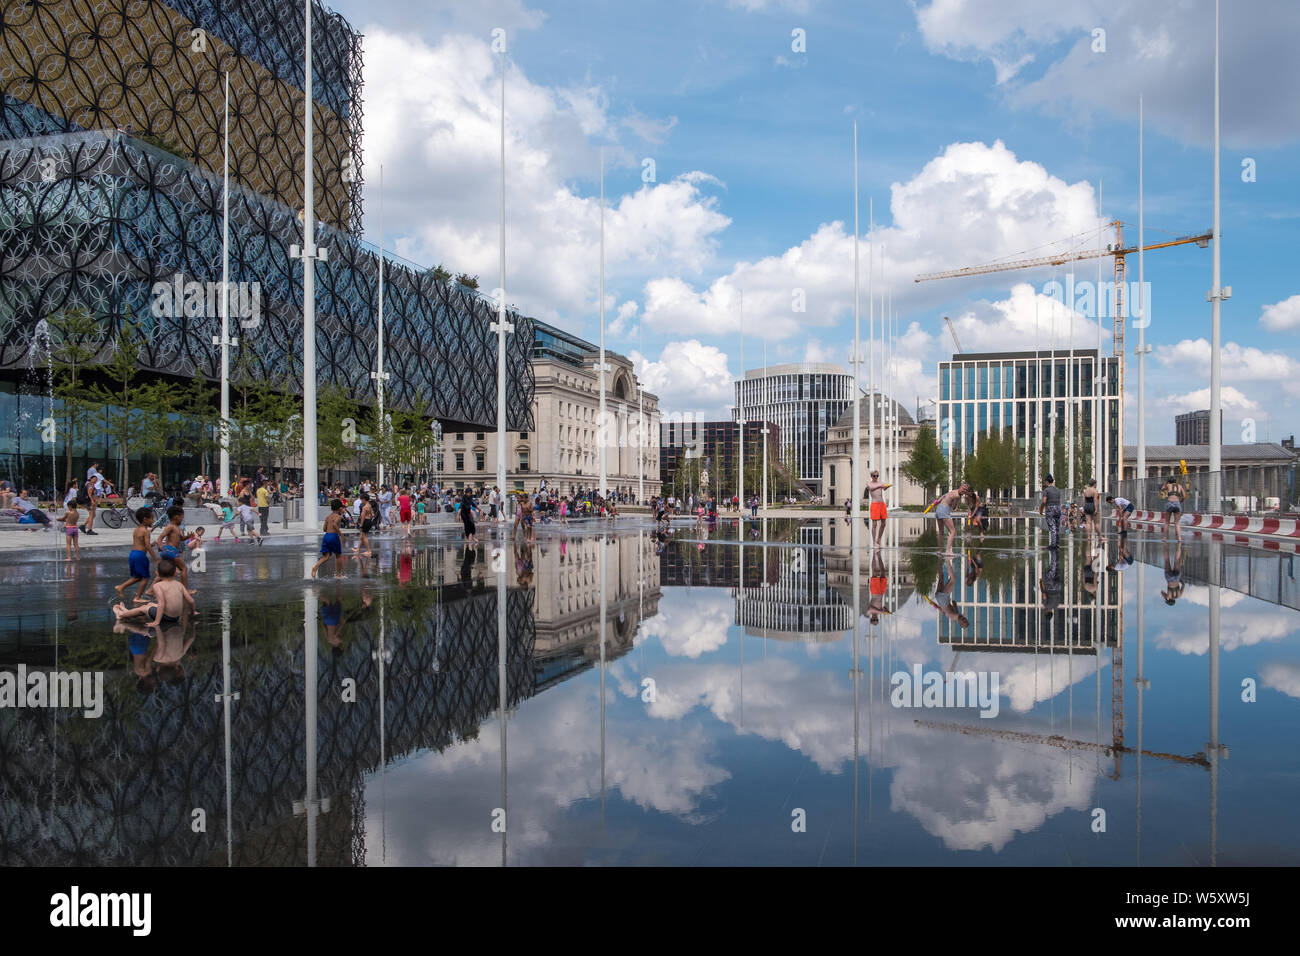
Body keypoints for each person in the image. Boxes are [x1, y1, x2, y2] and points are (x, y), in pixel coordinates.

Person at [115, 507, 156, 602]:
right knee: (145, 578)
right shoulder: (145, 531)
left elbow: (142, 545)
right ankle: (137, 597)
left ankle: (121, 587)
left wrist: (151, 544)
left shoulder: (136, 530)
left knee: (138, 577)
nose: (153, 521)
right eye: (152, 518)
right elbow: (147, 547)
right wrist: (156, 559)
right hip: (140, 556)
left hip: (133, 554)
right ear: (145, 519)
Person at [154, 505, 194, 590]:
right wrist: (160, 545)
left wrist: (188, 537)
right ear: (176, 517)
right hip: (171, 550)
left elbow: (181, 539)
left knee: (167, 571)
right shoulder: (170, 526)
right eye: (181, 518)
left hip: (168, 551)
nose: (182, 520)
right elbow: (160, 537)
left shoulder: (177, 528)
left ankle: (151, 590)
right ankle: (185, 590)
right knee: (184, 568)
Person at [311, 499, 346, 578]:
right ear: (340, 508)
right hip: (334, 536)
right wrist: (341, 536)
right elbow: (334, 524)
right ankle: (339, 574)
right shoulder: (338, 517)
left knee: (326, 556)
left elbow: (324, 529)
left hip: (326, 536)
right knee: (338, 555)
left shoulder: (328, 517)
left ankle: (315, 567)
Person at [930, 483, 967, 555]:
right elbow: (953, 507)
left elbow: (944, 496)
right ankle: (948, 551)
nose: (964, 491)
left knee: (941, 532)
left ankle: (940, 551)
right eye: (963, 488)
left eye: (966, 490)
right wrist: (956, 507)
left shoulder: (953, 491)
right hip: (944, 510)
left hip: (939, 508)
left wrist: (937, 501)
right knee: (953, 531)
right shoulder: (957, 496)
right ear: (960, 487)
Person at [865, 470, 893, 546]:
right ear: (871, 476)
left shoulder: (880, 483)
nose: (876, 477)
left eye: (877, 476)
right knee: (874, 524)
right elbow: (871, 488)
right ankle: (874, 542)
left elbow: (884, 488)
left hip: (882, 504)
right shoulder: (869, 483)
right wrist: (881, 486)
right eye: (874, 476)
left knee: (883, 524)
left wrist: (888, 486)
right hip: (874, 504)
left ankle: (879, 539)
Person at [1038, 474, 1062, 549]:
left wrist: (1041, 509)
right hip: (1058, 508)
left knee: (1052, 527)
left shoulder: (1046, 490)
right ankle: (1057, 544)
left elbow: (1044, 501)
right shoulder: (1058, 490)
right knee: (1057, 527)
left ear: (1046, 481)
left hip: (1050, 509)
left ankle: (1053, 544)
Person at [1160, 473, 1185, 541]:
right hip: (1177, 503)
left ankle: (1164, 538)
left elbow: (1162, 489)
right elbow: (1184, 496)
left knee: (1167, 522)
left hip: (1170, 503)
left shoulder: (1168, 485)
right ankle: (1179, 538)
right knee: (1177, 523)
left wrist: (1166, 483)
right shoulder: (1180, 486)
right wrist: (1180, 501)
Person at [1161, 541, 1185, 605]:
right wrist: (1166, 598)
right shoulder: (1168, 597)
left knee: (1177, 560)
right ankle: (1164, 543)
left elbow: (1183, 585)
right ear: (1168, 601)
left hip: (1177, 578)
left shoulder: (1179, 595)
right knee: (1167, 560)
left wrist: (1180, 580)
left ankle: (1179, 544)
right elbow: (1162, 592)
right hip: (1169, 579)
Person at [61, 496, 80, 560]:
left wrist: (56, 519)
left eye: (68, 506)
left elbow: (63, 519)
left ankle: (69, 557)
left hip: (69, 528)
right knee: (76, 544)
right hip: (75, 528)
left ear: (70, 506)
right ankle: (77, 557)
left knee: (68, 544)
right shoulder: (77, 513)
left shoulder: (68, 513)